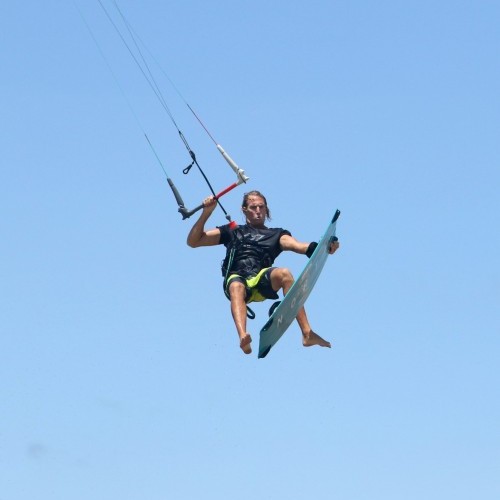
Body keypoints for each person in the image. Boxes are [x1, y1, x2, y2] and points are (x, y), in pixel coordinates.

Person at [187, 190, 340, 355]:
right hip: (237, 280)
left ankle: (307, 333)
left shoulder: (276, 234)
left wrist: (324, 246)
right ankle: (243, 336)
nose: (258, 211)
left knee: (285, 273)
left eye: (261, 207)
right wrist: (206, 213)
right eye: (253, 207)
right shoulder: (232, 231)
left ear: (267, 209)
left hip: (260, 281)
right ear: (244, 209)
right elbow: (194, 241)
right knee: (237, 285)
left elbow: (299, 246)